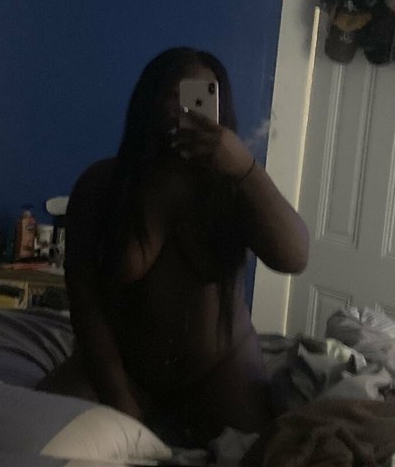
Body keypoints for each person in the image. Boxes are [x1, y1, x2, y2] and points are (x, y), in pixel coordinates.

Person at [37, 47, 309, 447]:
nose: (184, 109)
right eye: (171, 94)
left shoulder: (232, 186)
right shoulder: (103, 185)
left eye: (200, 96)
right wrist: (119, 397)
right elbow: (86, 305)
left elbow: (294, 257)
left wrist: (246, 170)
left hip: (221, 368)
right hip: (123, 370)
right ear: (146, 103)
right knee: (36, 436)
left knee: (264, 453)